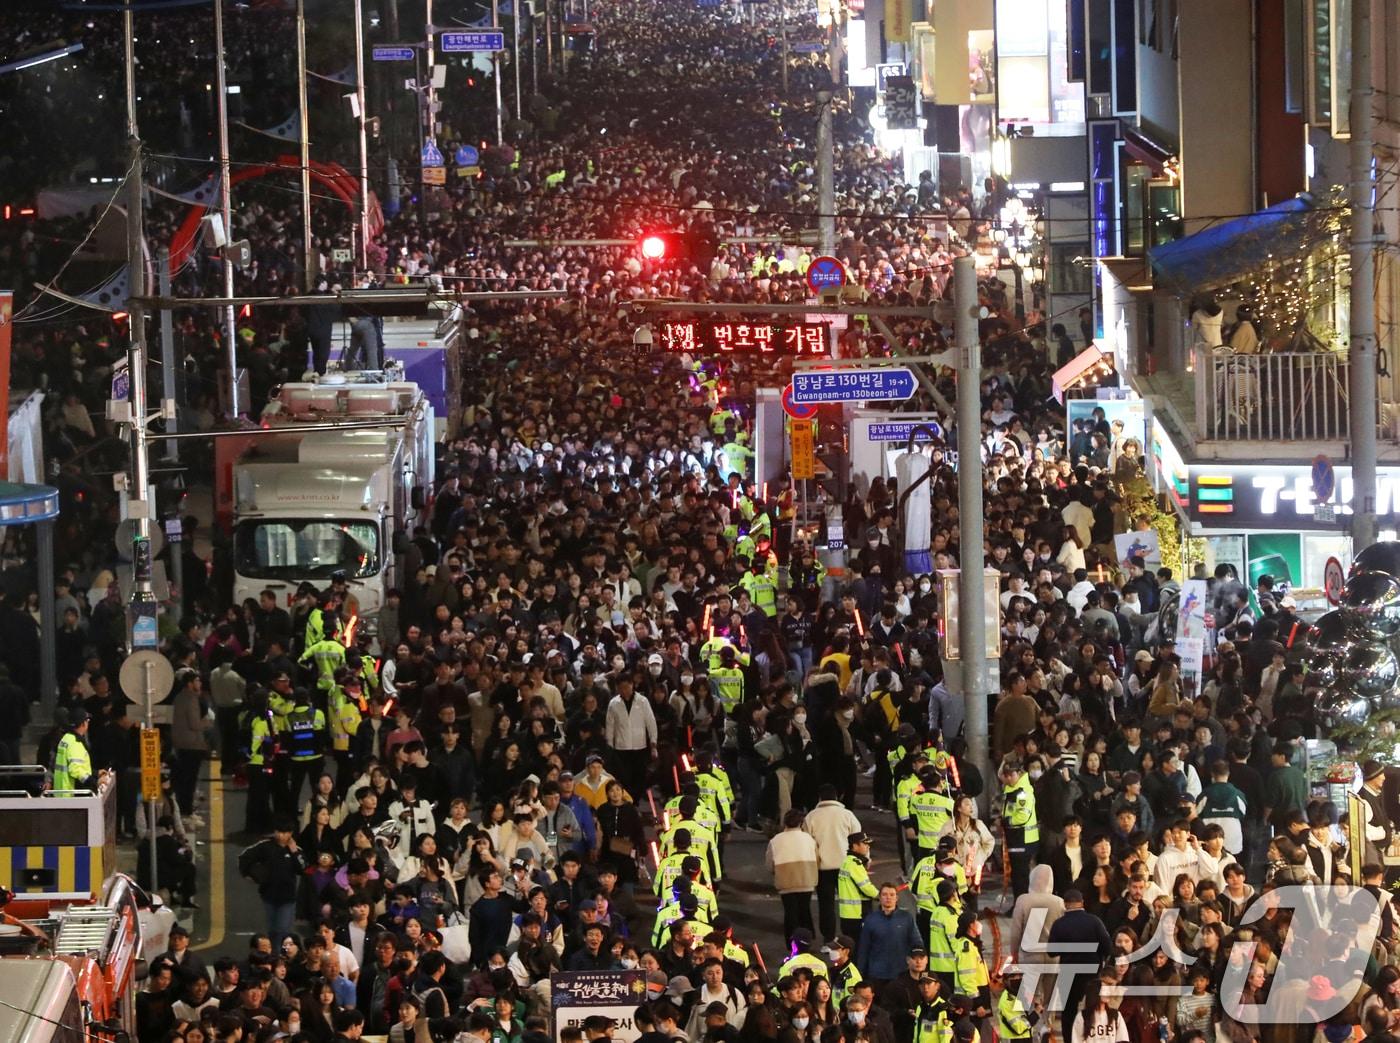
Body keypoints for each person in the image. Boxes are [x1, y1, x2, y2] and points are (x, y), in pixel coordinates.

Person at [803, 785, 862, 941]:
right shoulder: (847, 815)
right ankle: (848, 940)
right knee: (848, 904)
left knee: (826, 904)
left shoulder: (811, 817)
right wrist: (864, 860)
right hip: (846, 866)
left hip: (823, 868)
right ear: (837, 797)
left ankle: (828, 939)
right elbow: (859, 840)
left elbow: (807, 843)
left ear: (820, 798)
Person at [237, 818, 308, 939]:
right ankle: (275, 954)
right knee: (272, 930)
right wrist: (247, 875)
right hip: (268, 895)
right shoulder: (265, 847)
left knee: (283, 930)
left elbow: (302, 868)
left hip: (287, 897)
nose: (281, 835)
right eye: (279, 832)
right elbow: (244, 857)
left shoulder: (297, 850)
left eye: (285, 832)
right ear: (274, 832)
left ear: (290, 833)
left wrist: (294, 852)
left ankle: (281, 954)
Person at [766, 808, 818, 941]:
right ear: (801, 823)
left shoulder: (776, 840)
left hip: (786, 882)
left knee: (790, 913)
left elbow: (769, 864)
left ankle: (791, 942)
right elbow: (817, 859)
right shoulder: (809, 839)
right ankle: (808, 939)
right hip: (806, 880)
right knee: (804, 910)